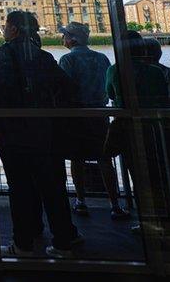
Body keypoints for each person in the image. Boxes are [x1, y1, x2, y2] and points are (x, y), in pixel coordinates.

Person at [0, 11, 81, 258]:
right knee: (53, 187)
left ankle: (23, 243)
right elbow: (67, 88)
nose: (3, 30)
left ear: (14, 29)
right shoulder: (44, 56)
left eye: (6, 25)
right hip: (46, 133)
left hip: (14, 133)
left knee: (20, 189)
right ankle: (63, 241)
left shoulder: (4, 53)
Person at [106, 32, 170, 238]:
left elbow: (109, 94)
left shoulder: (116, 70)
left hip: (129, 129)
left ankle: (149, 222)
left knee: (140, 176)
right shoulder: (157, 72)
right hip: (159, 129)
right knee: (169, 177)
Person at [57, 22, 128, 220]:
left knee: (76, 159)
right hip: (100, 113)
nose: (62, 39)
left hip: (76, 116)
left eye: (64, 36)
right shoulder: (102, 57)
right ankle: (115, 203)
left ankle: (81, 201)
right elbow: (109, 87)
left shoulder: (67, 60)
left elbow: (64, 87)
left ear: (71, 39)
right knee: (105, 159)